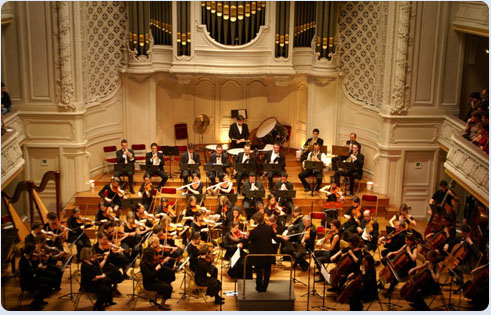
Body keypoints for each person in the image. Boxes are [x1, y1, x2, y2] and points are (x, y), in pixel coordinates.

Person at [246, 212, 279, 292]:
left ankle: (259, 287)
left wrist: (241, 241)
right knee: (267, 271)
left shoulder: (254, 231)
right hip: (268, 253)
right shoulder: (269, 228)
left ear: (256, 221)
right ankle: (265, 287)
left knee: (259, 271)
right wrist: (284, 240)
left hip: (258, 254)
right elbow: (275, 238)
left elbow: (249, 240)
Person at [381, 233, 418, 298]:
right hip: (403, 265)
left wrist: (409, 252)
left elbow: (414, 259)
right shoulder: (405, 246)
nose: (405, 241)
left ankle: (390, 291)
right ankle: (381, 283)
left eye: (407, 240)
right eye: (405, 240)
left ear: (411, 241)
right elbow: (398, 252)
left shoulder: (415, 249)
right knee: (387, 264)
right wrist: (391, 253)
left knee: (396, 276)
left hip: (409, 268)